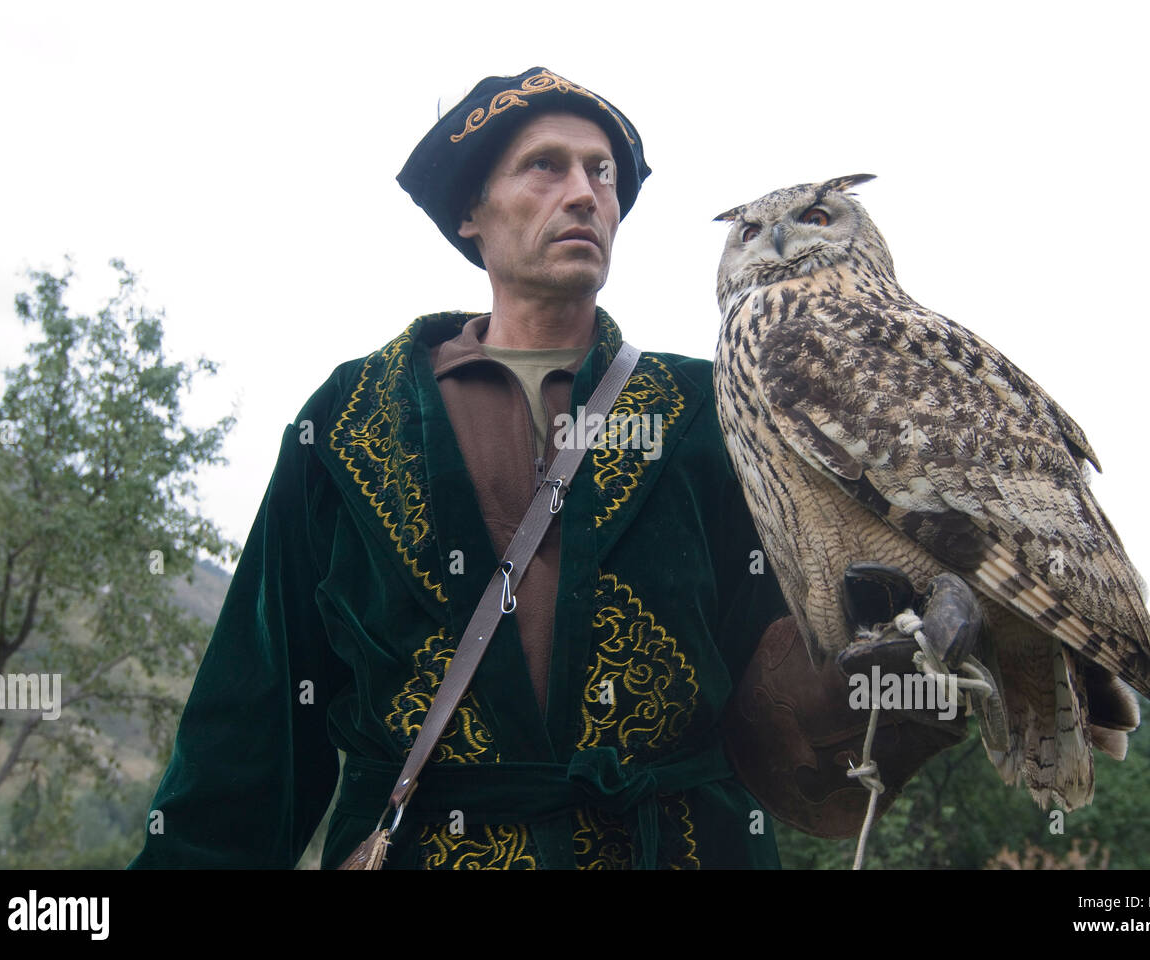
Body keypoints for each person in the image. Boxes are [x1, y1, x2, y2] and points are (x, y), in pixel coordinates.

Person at [129, 67, 970, 870]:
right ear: (471, 212)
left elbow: (774, 668)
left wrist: (871, 688)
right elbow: (257, 723)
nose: (584, 193)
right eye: (545, 167)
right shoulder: (351, 419)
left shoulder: (718, 408)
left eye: (601, 173)